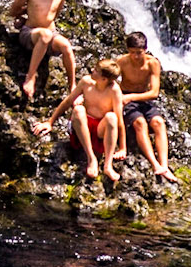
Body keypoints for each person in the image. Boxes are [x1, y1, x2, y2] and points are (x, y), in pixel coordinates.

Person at [33, 56, 125, 185]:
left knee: (112, 117)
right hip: (82, 128)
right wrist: (50, 122)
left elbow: (119, 120)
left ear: (104, 79)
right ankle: (91, 158)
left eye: (96, 70)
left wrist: (122, 148)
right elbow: (68, 101)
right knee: (78, 110)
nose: (92, 70)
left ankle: (107, 165)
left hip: (99, 130)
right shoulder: (86, 82)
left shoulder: (114, 90)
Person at [5, 0, 75, 102]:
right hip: (30, 33)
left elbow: (56, 12)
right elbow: (13, 10)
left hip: (50, 32)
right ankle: (30, 77)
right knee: (45, 35)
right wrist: (23, 18)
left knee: (66, 45)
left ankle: (72, 86)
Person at [117, 29, 178, 183]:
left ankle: (164, 165)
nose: (136, 56)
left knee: (159, 123)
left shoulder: (153, 63)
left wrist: (130, 97)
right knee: (140, 123)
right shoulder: (122, 62)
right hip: (126, 97)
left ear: (145, 50)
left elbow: (154, 93)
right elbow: (108, 79)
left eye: (139, 52)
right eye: (132, 52)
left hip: (143, 98)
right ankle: (154, 164)